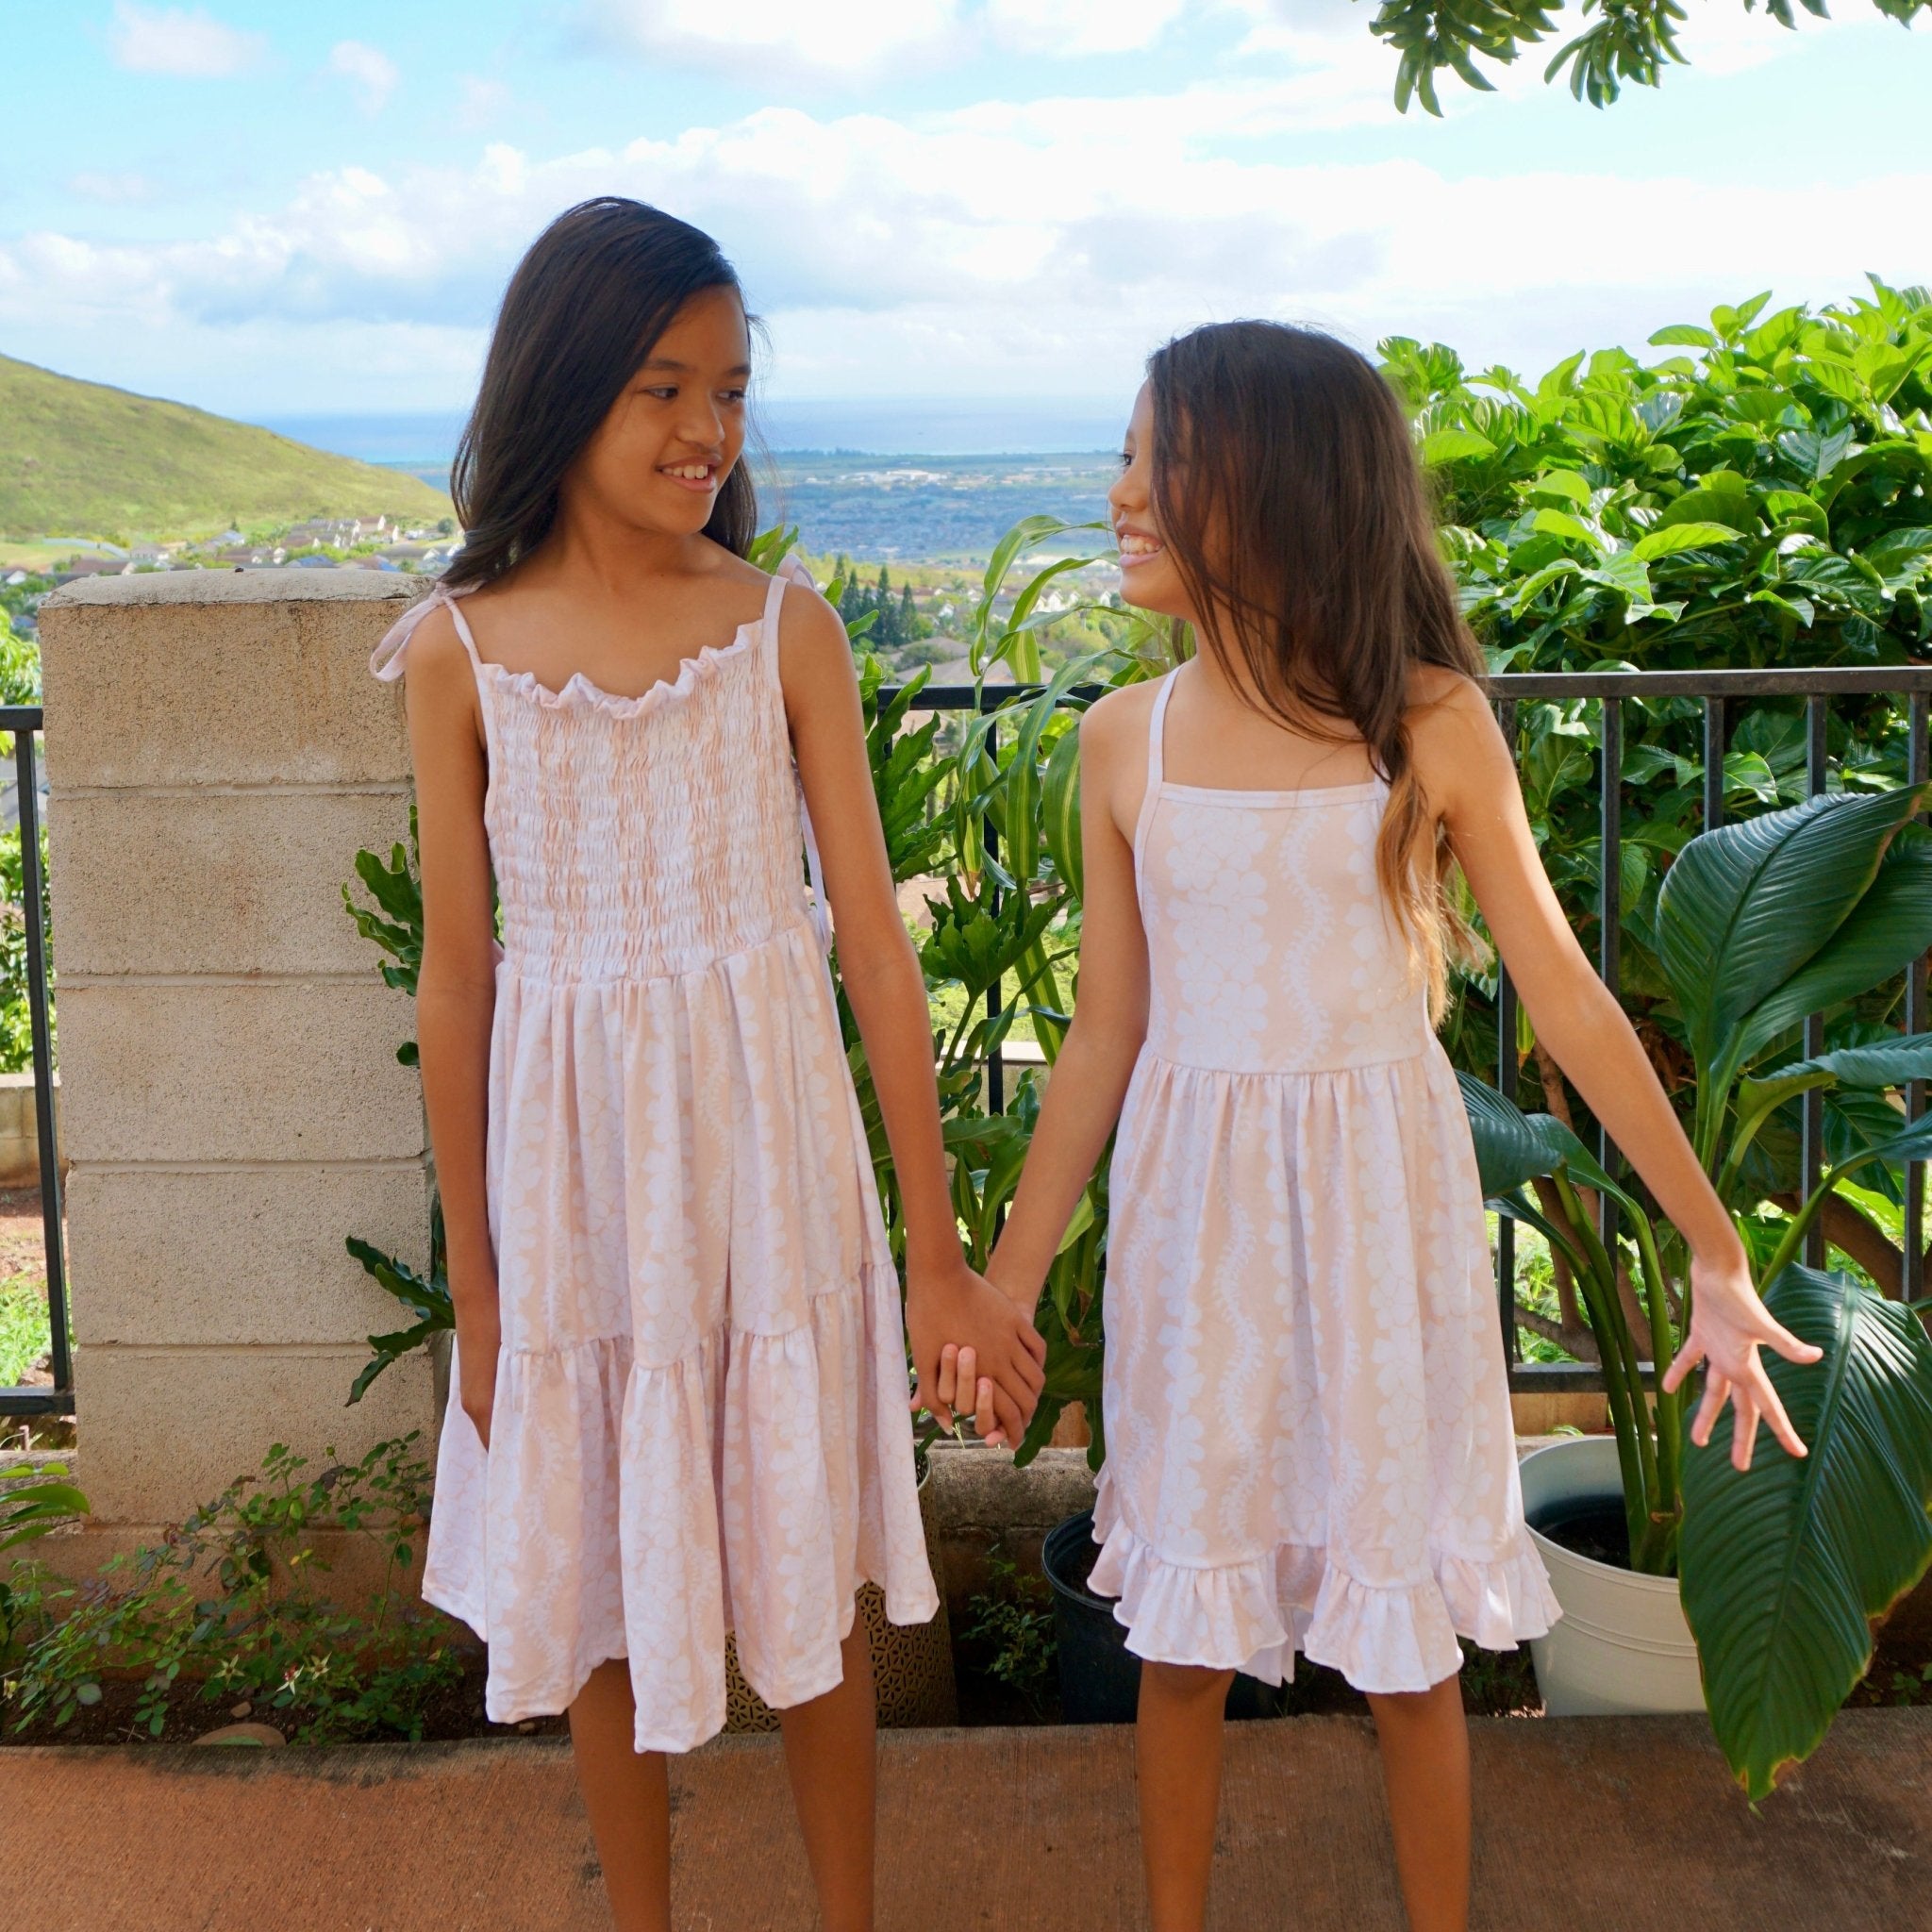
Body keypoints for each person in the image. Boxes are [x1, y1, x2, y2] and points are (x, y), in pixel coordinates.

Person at [959, 319, 1820, 1932]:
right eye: (1128, 456)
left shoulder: (1429, 724)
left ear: (1279, 488)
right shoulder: (1124, 740)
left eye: (1162, 460)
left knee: (1409, 1648)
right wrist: (1005, 1283)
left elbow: (1566, 999)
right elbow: (1105, 1032)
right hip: (1197, 1228)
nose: (1122, 492)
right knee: (1183, 1645)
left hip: (1380, 1216)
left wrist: (1714, 1251)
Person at [372, 196, 1042, 1932]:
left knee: (812, 1597)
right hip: (579, 1183)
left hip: (773, 1164)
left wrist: (936, 1246)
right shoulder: (457, 653)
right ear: (564, 386)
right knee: (601, 1589)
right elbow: (459, 979)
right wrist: (482, 1292)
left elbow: (874, 948)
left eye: (731, 391)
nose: (706, 430)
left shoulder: (784, 630)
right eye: (663, 387)